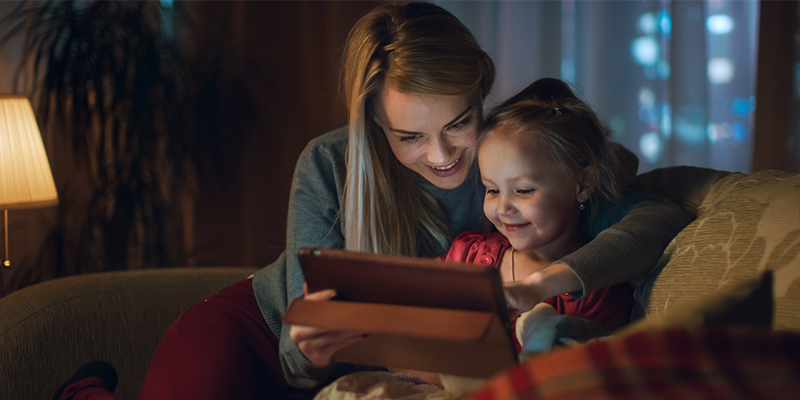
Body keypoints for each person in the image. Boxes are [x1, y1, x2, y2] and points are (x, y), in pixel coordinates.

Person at [54, 3, 691, 400]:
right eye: (409, 136)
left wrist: (558, 276)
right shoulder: (330, 164)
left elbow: (653, 215)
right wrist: (308, 348)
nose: (442, 156)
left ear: (482, 92)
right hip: (254, 331)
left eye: (459, 123)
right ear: (374, 126)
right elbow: (294, 354)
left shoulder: (514, 164)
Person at [441, 78, 647, 353]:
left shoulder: (599, 292)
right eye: (492, 190)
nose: (503, 208)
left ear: (583, 185)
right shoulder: (466, 255)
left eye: (524, 190)